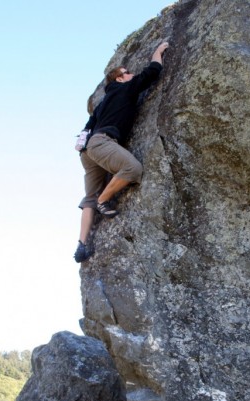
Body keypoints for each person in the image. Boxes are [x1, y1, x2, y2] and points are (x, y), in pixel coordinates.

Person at [74, 41, 169, 263]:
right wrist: (158, 51)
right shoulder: (125, 88)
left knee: (88, 198)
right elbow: (152, 72)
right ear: (119, 78)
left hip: (89, 151)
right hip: (102, 143)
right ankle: (104, 200)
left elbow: (88, 125)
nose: (132, 74)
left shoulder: (103, 102)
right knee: (132, 168)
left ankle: (81, 244)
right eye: (128, 73)